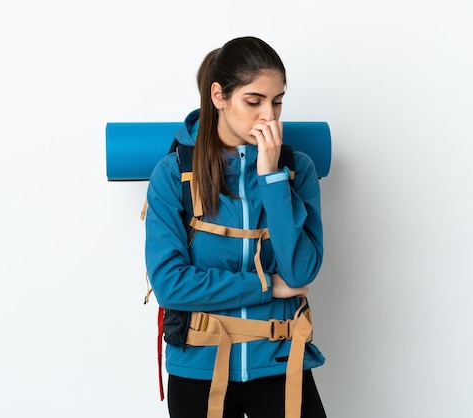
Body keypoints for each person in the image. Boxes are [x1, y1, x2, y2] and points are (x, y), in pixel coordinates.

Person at [145, 36, 326, 418]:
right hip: (198, 368)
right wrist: (266, 285)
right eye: (254, 101)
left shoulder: (298, 170)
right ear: (219, 96)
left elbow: (301, 272)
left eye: (277, 102)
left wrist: (272, 177)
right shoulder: (171, 175)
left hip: (280, 361)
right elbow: (170, 285)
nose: (269, 117)